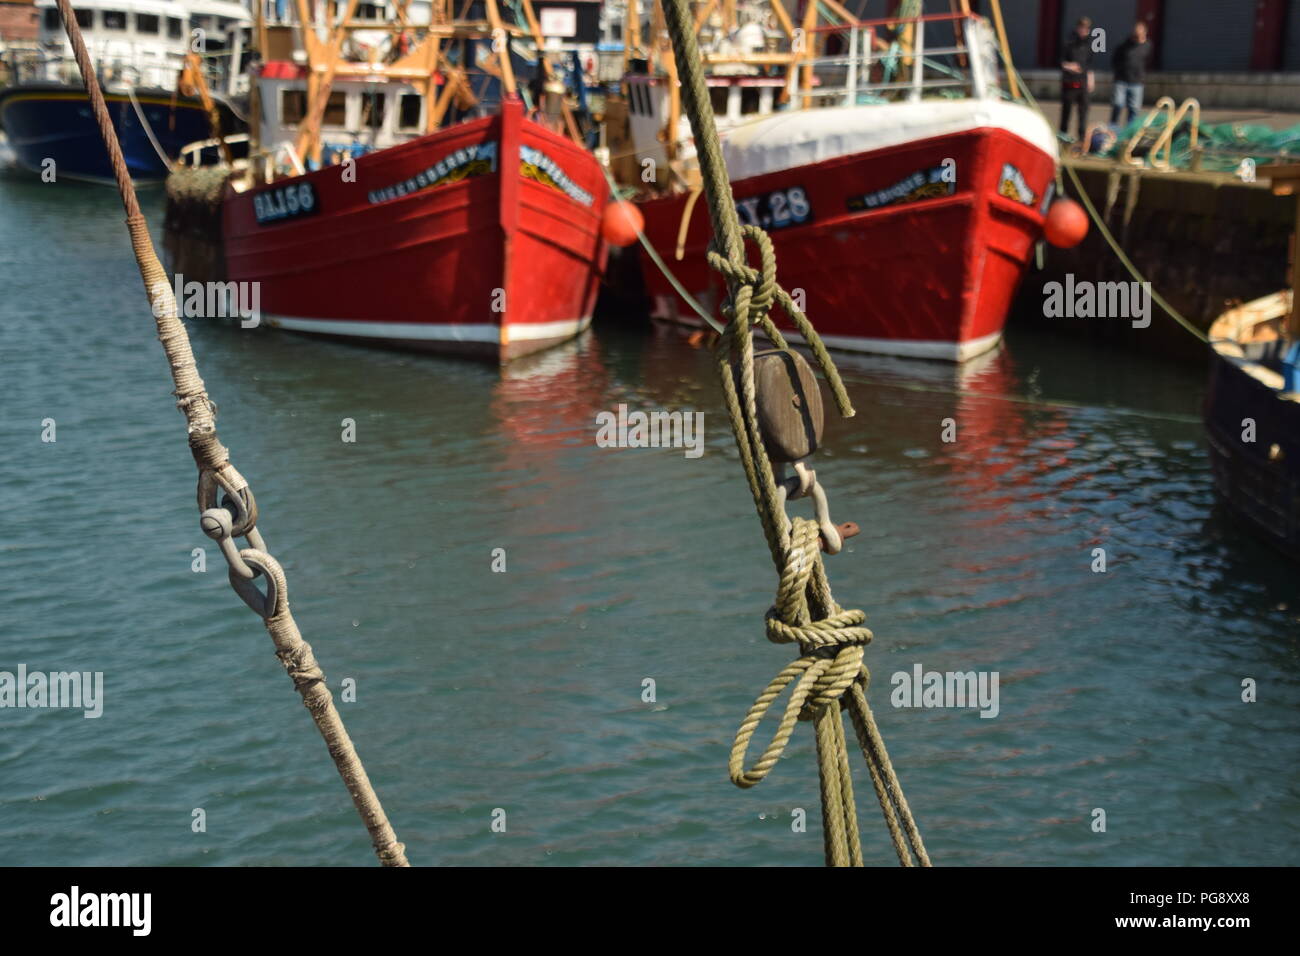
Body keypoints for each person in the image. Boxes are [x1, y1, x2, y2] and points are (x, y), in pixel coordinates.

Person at [1110, 21, 1151, 128]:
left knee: (1134, 109)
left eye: (1140, 33)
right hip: (1121, 80)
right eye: (1136, 33)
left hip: (1137, 82)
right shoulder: (1124, 46)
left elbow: (1148, 61)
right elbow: (1115, 60)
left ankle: (1130, 132)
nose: (1137, 35)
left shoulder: (1147, 46)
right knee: (1118, 104)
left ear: (1144, 33)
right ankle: (1113, 128)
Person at [1059, 16, 1094, 141]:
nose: (1084, 30)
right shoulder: (1069, 43)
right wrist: (1070, 66)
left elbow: (1089, 64)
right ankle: (1062, 137)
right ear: (1077, 28)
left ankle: (1082, 139)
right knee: (1066, 112)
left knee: (1083, 113)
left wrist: (1091, 79)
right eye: (1082, 28)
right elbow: (1061, 62)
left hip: (1083, 83)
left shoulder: (1089, 44)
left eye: (1086, 28)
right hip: (1069, 83)